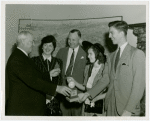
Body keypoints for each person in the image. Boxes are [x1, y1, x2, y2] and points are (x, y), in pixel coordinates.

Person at [79, 21, 145, 116]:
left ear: (121, 33)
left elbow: (138, 87)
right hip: (110, 107)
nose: (109, 36)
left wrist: (129, 110)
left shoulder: (136, 54)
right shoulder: (111, 56)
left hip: (127, 109)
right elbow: (106, 79)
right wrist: (88, 94)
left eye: (112, 33)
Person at [5, 31, 71, 116]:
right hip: (23, 110)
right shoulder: (17, 59)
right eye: (31, 41)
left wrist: (48, 74)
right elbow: (32, 80)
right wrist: (57, 88)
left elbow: (33, 76)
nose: (33, 44)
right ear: (22, 42)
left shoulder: (22, 57)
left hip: (28, 108)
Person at [67, 43, 109, 116]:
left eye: (90, 54)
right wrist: (74, 81)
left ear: (98, 55)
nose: (88, 56)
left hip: (100, 107)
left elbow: (109, 92)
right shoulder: (88, 68)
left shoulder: (105, 68)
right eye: (88, 54)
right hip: (86, 105)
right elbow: (85, 88)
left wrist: (93, 98)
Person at [56, 29, 87, 116]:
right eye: (69, 39)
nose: (70, 42)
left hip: (78, 95)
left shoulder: (86, 54)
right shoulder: (61, 52)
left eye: (73, 40)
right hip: (63, 93)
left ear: (79, 39)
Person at [31, 35, 63, 116]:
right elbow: (34, 80)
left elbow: (59, 80)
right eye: (45, 45)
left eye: (50, 45)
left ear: (54, 48)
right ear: (41, 47)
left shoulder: (58, 61)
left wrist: (52, 96)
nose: (47, 48)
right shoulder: (34, 60)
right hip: (39, 99)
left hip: (54, 100)